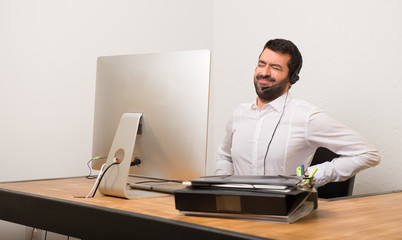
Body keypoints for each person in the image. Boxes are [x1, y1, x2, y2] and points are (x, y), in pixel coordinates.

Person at [215, 38, 380, 187]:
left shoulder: (306, 117)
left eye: (275, 67)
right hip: (238, 213)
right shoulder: (239, 114)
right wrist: (223, 190)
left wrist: (310, 177)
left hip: (283, 212)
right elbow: (225, 156)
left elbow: (368, 154)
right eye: (261, 64)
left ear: (292, 78)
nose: (264, 72)